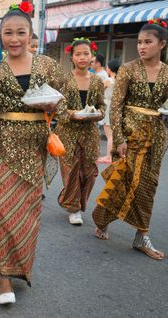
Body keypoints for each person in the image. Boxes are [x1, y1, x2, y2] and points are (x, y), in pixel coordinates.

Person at [0, 2, 66, 305]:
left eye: (20, 33)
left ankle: (21, 266)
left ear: (30, 34)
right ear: (1, 36)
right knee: (3, 209)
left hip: (36, 147)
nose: (14, 39)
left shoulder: (47, 65)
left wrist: (52, 107)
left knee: (28, 211)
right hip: (5, 146)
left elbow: (64, 103)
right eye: (8, 33)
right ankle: (3, 276)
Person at [92, 18, 168, 261]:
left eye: (148, 42)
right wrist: (118, 137)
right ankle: (102, 218)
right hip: (129, 135)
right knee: (123, 181)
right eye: (140, 42)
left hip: (155, 137)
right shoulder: (128, 69)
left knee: (148, 186)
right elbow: (116, 106)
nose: (142, 46)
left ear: (161, 44)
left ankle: (141, 235)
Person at [56, 38, 105, 225]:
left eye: (86, 53)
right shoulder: (63, 80)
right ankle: (74, 208)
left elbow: (102, 105)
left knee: (90, 172)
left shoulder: (98, 81)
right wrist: (73, 114)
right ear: (72, 57)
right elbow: (58, 107)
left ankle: (73, 200)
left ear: (92, 56)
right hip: (68, 132)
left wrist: (99, 114)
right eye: (78, 54)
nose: (82, 57)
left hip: (90, 132)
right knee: (71, 171)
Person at [98, 58, 120, 163]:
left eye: (107, 67)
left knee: (109, 134)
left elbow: (99, 92)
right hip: (115, 107)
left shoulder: (109, 80)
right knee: (113, 133)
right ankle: (112, 155)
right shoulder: (119, 81)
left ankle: (109, 156)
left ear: (110, 69)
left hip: (108, 106)